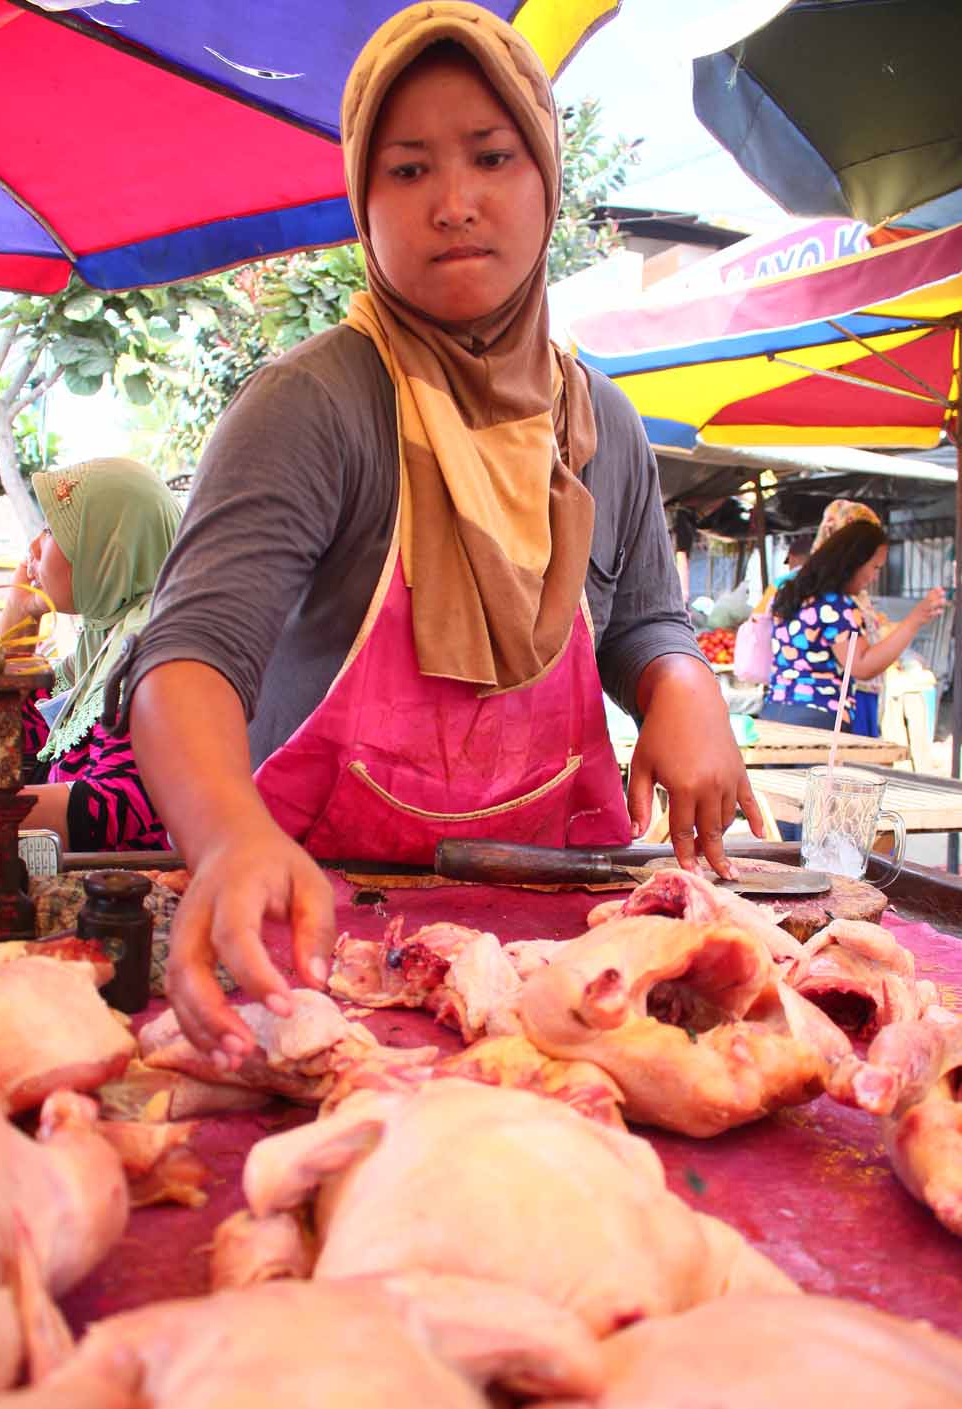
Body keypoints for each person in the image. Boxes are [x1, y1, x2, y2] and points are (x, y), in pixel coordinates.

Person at [120, 1, 763, 1064]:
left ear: (545, 181)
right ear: (361, 203)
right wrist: (228, 833)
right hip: (327, 949)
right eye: (407, 170)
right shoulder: (315, 404)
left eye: (491, 156)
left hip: (569, 966)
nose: (454, 203)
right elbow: (188, 655)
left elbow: (645, 619)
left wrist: (682, 686)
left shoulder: (601, 420)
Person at [0, 457, 182, 851]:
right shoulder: (102, 644)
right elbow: (12, 739)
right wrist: (21, 611)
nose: (33, 548)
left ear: (108, 547)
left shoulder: (153, 651)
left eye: (51, 530)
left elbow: (120, 802)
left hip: (123, 893)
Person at [763, 520, 944, 731]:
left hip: (774, 712)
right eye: (874, 567)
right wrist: (915, 620)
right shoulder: (835, 605)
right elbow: (861, 665)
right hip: (816, 719)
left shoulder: (792, 594)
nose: (875, 577)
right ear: (854, 562)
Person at [810, 500, 886, 736]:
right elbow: (860, 664)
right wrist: (916, 620)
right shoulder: (825, 594)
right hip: (835, 701)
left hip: (859, 696)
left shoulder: (854, 591)